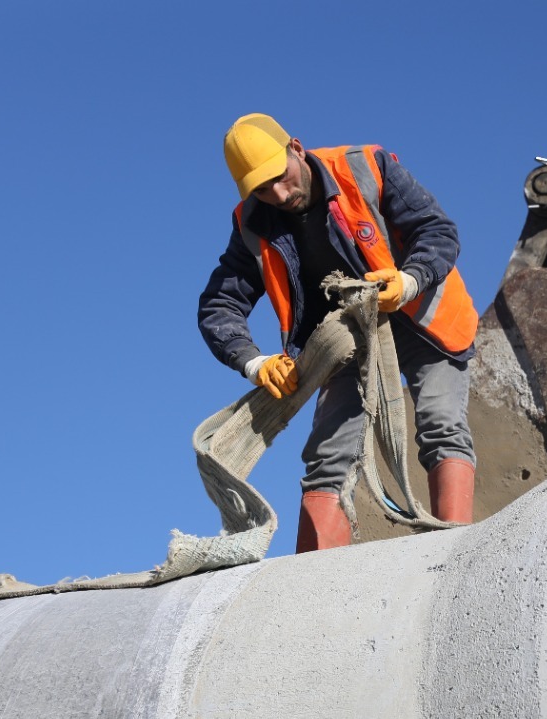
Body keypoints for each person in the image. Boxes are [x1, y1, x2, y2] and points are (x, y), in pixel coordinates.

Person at [198, 113, 479, 553]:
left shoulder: (365, 167)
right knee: (327, 461)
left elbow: (436, 230)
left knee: (442, 426)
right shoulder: (254, 222)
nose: (277, 194)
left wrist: (409, 280)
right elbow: (220, 304)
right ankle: (312, 584)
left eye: (279, 177)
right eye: (260, 188)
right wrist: (255, 363)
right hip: (346, 339)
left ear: (295, 147)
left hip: (423, 320)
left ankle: (456, 553)